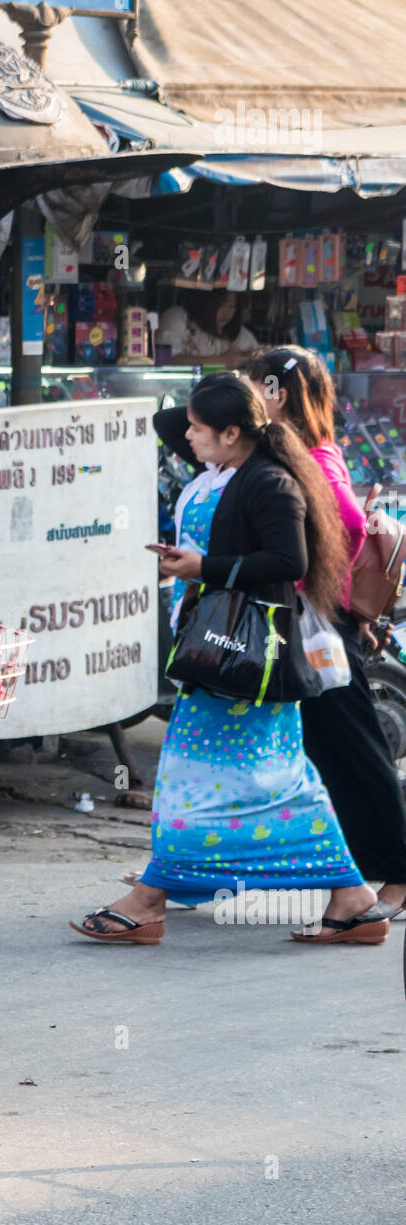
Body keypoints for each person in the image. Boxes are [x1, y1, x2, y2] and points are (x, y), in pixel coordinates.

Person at [71, 373, 391, 946]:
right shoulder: (229, 473)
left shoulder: (269, 483)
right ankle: (353, 898)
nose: (187, 437)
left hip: (246, 662)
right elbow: (177, 434)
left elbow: (288, 563)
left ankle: (150, 899)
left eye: (199, 427)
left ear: (232, 432)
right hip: (218, 655)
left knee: (197, 780)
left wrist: (202, 568)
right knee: (263, 781)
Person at [247, 346, 406, 919]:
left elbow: (348, 521)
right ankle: (345, 871)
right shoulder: (303, 451)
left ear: (279, 393)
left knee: (355, 748)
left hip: (319, 625)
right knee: (313, 751)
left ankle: (399, 875)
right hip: (307, 621)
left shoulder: (313, 456)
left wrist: (324, 581)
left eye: (255, 388)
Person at [158, 289, 258, 367]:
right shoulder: (176, 317)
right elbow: (163, 360)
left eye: (233, 306)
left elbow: (257, 353)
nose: (227, 313)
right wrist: (220, 361)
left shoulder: (236, 332)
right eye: (221, 304)